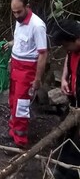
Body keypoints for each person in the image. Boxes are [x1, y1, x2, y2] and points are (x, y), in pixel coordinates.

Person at [3, 0, 48, 148]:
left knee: (21, 105)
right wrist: (10, 46)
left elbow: (43, 53)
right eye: (13, 12)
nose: (16, 15)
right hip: (16, 65)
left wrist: (37, 79)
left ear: (27, 7)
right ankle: (12, 131)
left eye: (19, 12)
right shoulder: (19, 21)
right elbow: (21, 40)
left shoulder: (37, 26)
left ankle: (20, 140)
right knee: (12, 100)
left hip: (27, 70)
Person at [51, 18, 80, 179]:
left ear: (76, 39)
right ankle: (61, 168)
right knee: (66, 137)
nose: (65, 49)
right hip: (74, 102)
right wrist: (64, 78)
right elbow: (69, 57)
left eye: (66, 45)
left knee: (77, 146)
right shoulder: (74, 47)